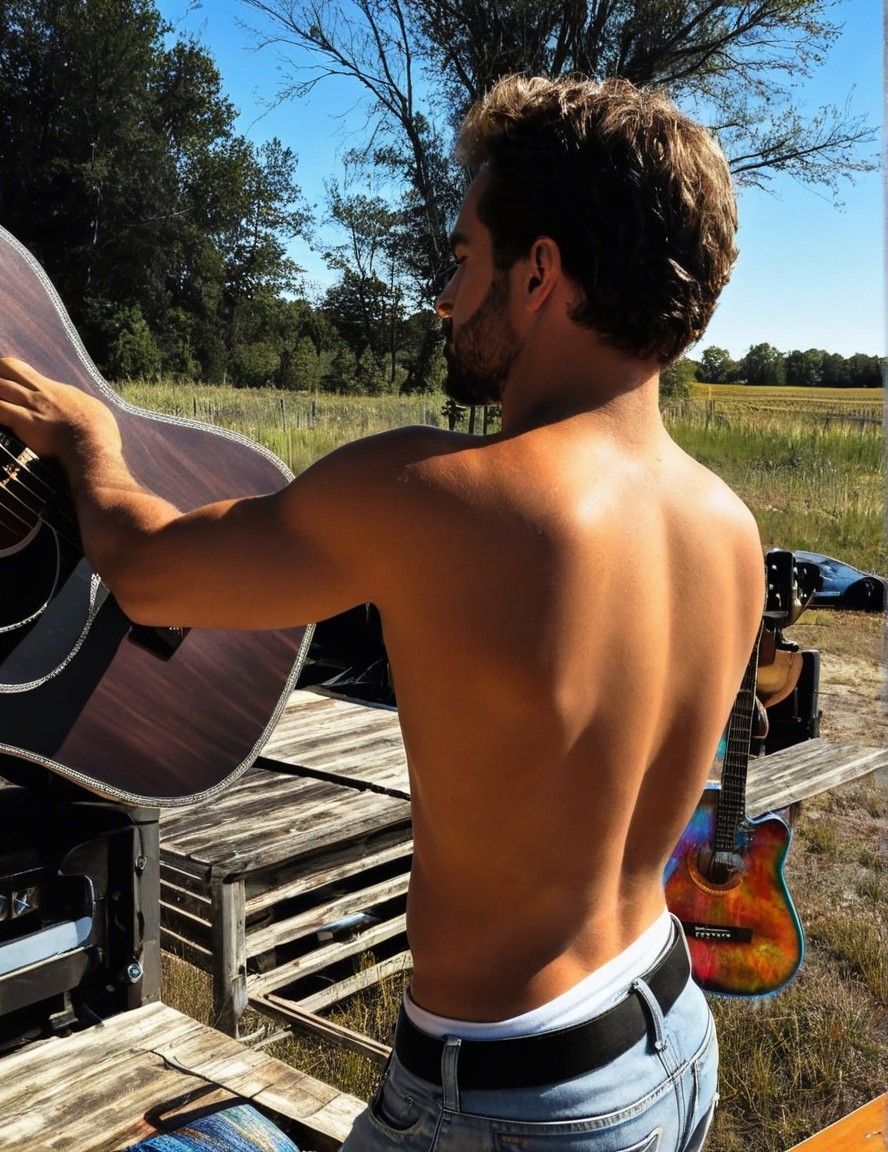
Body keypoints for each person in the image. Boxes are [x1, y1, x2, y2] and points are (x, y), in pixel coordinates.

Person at [0, 74, 763, 1152]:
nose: (444, 299)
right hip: (666, 1031)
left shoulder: (440, 494)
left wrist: (89, 445)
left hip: (509, 1102)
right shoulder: (727, 529)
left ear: (539, 272)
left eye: (460, 259)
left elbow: (149, 573)